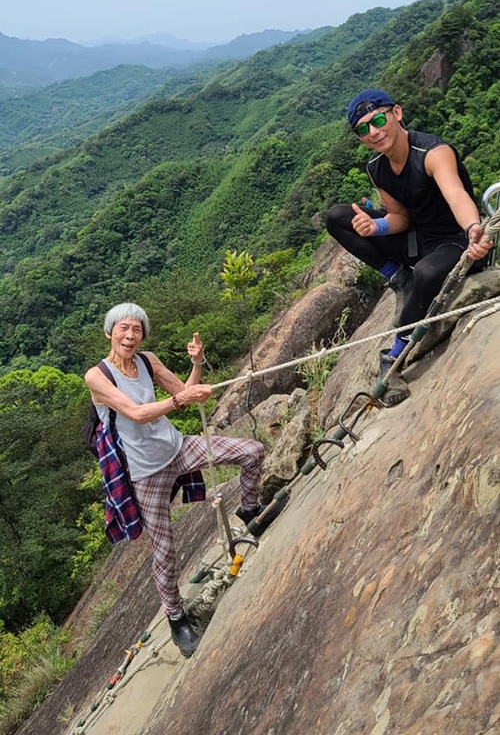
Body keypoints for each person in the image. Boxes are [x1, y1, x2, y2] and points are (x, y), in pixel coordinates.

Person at [85, 303, 281, 658]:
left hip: (177, 448)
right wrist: (179, 399)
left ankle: (250, 511)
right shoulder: (97, 376)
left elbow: (186, 394)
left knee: (251, 451)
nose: (130, 336)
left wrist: (197, 363)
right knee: (164, 549)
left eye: (136, 330)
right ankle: (177, 620)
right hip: (145, 472)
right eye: (123, 328)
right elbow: (137, 413)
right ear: (109, 332)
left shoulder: (147, 361)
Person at [325, 88, 492, 404]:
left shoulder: (432, 153)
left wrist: (474, 229)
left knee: (427, 273)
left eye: (378, 120)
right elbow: (399, 217)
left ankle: (395, 356)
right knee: (337, 218)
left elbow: (456, 195)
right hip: (418, 239)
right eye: (363, 129)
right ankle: (400, 278)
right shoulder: (377, 167)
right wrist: (376, 227)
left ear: (397, 113)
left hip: (455, 241)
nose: (374, 132)